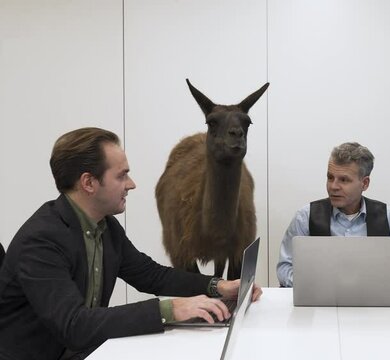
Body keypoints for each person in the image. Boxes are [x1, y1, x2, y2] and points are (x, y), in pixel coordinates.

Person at [0, 127, 263, 360]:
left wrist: (217, 286)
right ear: (89, 183)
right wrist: (171, 309)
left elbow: (151, 275)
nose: (132, 184)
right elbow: (74, 325)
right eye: (121, 176)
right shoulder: (40, 241)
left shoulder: (105, 227)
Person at [276, 142, 390, 288]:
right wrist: (312, 286)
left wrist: (374, 287)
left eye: (344, 180)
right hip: (320, 306)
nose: (333, 186)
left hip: (374, 306)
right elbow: (285, 267)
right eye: (330, 177)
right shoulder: (305, 217)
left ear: (364, 183)